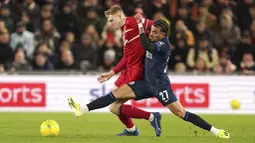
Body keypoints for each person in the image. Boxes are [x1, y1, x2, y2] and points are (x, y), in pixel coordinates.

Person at [68, 19, 230, 139]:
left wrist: (140, 27)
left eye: (155, 33)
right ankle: (82, 109)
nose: (151, 34)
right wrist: (113, 72)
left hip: (160, 86)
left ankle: (216, 131)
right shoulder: (151, 37)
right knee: (114, 98)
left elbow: (148, 46)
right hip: (145, 83)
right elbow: (133, 52)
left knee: (180, 112)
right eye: (151, 31)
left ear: (163, 35)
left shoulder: (163, 45)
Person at [96, 5, 161, 136]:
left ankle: (151, 117)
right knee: (114, 105)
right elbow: (127, 57)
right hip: (128, 69)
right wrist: (112, 72)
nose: (109, 24)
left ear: (120, 16)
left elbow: (158, 26)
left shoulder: (132, 22)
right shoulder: (124, 30)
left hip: (137, 70)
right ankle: (133, 129)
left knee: (114, 106)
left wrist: (144, 22)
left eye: (111, 20)